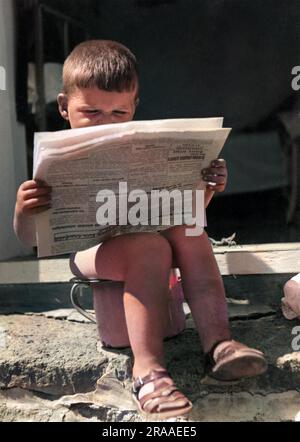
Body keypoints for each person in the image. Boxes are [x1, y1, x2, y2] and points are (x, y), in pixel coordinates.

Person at [14, 40, 267, 420]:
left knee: (190, 229)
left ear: (134, 107)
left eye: (119, 112)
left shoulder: (139, 145)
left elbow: (184, 211)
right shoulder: (56, 156)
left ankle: (219, 344)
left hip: (145, 232)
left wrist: (207, 188)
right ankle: (148, 372)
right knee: (148, 248)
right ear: (64, 106)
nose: (106, 121)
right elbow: (30, 241)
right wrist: (24, 211)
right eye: (91, 112)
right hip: (92, 249)